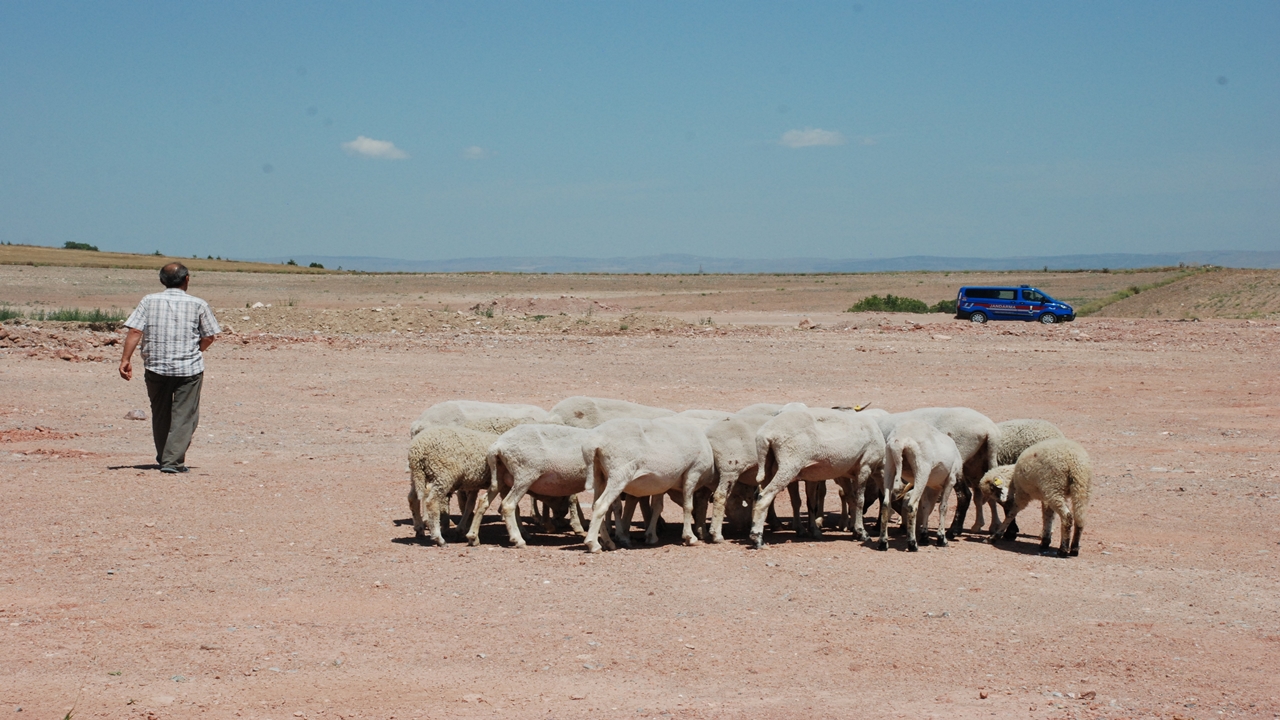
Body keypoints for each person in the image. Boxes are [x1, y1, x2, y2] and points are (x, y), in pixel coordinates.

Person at [118, 263, 220, 473]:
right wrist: (196, 350)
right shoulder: (198, 304)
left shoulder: (148, 301)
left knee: (160, 413)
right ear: (187, 279)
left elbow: (135, 331)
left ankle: (165, 456)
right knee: (185, 414)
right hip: (189, 369)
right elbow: (210, 336)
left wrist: (125, 359)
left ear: (162, 280)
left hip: (155, 367)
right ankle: (172, 461)